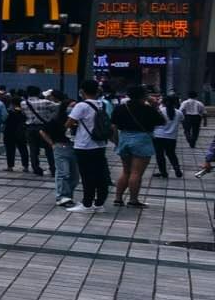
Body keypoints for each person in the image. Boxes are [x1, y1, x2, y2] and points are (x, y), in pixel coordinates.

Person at [111, 84, 162, 208]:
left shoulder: (120, 108)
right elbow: (162, 121)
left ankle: (118, 199)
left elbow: (113, 126)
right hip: (141, 139)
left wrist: (116, 141)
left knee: (126, 171)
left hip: (124, 138)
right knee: (136, 173)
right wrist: (155, 105)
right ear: (144, 96)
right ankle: (133, 200)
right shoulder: (147, 109)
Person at [68, 79, 113, 211]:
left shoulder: (81, 106)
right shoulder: (103, 104)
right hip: (100, 144)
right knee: (100, 174)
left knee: (87, 175)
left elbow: (69, 123)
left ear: (82, 91)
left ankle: (87, 203)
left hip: (84, 145)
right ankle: (99, 203)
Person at [151, 94, 183, 180]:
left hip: (158, 136)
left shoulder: (160, 111)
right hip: (172, 137)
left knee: (160, 155)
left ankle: (163, 172)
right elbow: (182, 120)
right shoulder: (179, 112)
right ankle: (177, 169)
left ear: (163, 102)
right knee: (171, 154)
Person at [2, 88, 31, 172]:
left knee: (10, 150)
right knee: (23, 149)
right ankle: (25, 166)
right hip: (21, 133)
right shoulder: (24, 112)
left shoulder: (9, 112)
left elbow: (4, 120)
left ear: (12, 103)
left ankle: (10, 166)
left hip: (9, 132)